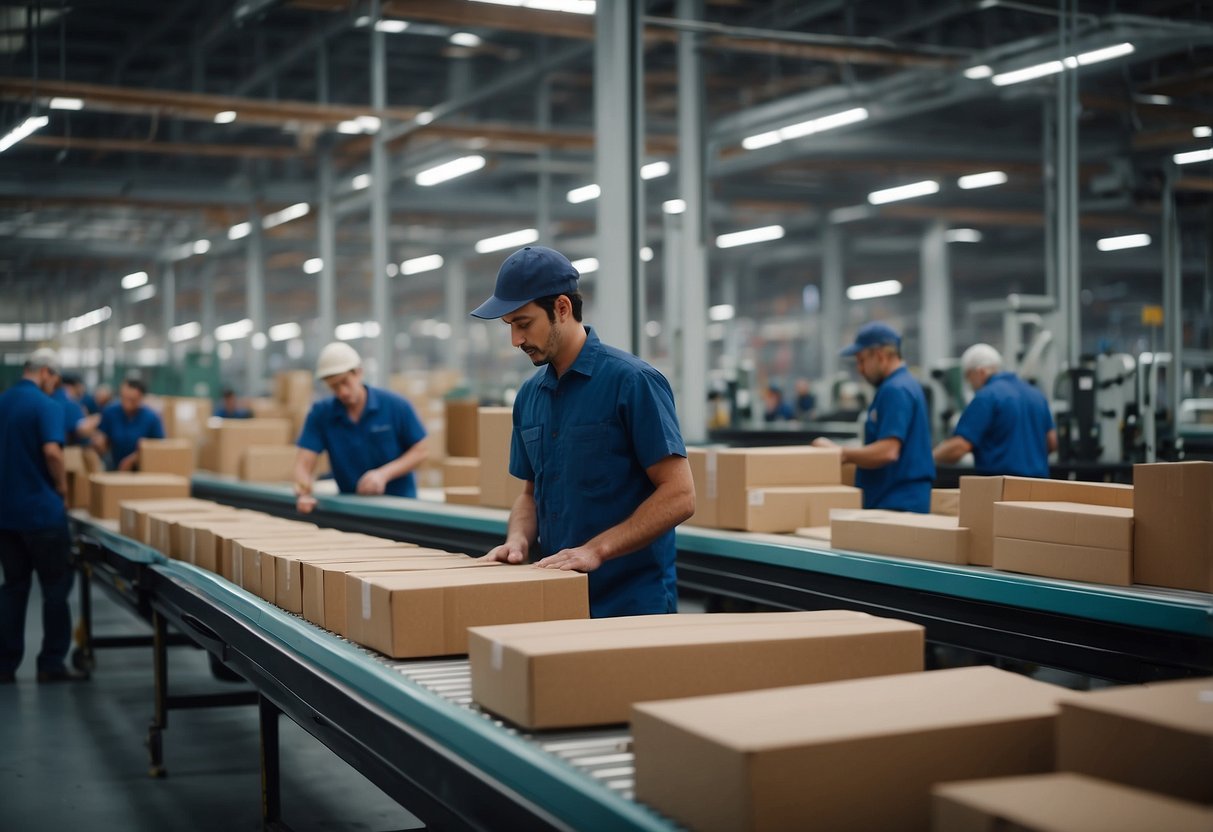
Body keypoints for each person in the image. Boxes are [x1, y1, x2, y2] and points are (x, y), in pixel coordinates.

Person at [471, 245, 695, 618]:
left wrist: (597, 549)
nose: (515, 340)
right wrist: (516, 540)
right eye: (509, 326)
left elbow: (680, 495)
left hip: (631, 605)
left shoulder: (633, 382)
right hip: (558, 598)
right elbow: (530, 494)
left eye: (523, 324)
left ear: (561, 308)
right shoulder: (530, 395)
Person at [0, 349, 84, 683]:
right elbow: (52, 451)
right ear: (47, 372)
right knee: (55, 588)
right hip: (41, 514)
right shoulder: (45, 405)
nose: (56, 387)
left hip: (5, 516)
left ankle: (4, 666)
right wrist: (62, 488)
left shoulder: (3, 401)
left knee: (13, 587)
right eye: (56, 380)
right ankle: (50, 663)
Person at [813, 322, 934, 512]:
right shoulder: (902, 384)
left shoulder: (895, 389)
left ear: (880, 356)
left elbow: (888, 451)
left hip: (897, 503)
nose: (860, 369)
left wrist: (840, 452)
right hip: (896, 499)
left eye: (861, 361)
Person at [293, 342, 429, 513]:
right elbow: (304, 462)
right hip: (352, 509)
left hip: (400, 508)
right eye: (334, 386)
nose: (342, 392)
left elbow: (421, 450)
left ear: (358, 372)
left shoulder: (396, 406)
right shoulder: (321, 414)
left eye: (345, 382)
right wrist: (303, 491)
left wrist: (383, 474)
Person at [933, 343, 1057, 477]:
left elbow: (960, 447)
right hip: (1039, 486)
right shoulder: (1036, 395)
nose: (970, 385)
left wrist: (929, 458)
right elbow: (1052, 442)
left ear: (981, 372)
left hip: (1003, 489)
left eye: (969, 378)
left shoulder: (987, 397)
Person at [93, 377, 165, 471]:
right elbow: (102, 437)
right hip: (114, 466)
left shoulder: (152, 418)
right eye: (124, 398)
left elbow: (159, 446)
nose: (126, 404)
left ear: (141, 398)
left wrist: (134, 459)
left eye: (132, 400)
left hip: (142, 469)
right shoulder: (110, 412)